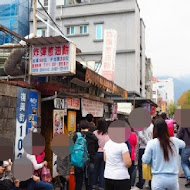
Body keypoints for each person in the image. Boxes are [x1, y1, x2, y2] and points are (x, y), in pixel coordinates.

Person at [142, 118, 185, 190]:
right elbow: (183, 144)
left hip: (158, 179)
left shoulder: (151, 143)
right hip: (173, 179)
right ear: (166, 129)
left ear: (154, 130)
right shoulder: (174, 141)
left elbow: (145, 160)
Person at [73, 120, 99, 190]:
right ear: (88, 127)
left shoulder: (76, 136)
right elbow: (96, 148)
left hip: (79, 161)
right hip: (90, 161)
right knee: (89, 182)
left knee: (78, 182)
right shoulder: (93, 137)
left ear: (80, 127)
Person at [93, 119, 110, 190]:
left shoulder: (95, 133)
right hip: (105, 153)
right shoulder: (108, 133)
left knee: (95, 169)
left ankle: (93, 184)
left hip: (97, 152)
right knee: (102, 170)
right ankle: (101, 186)